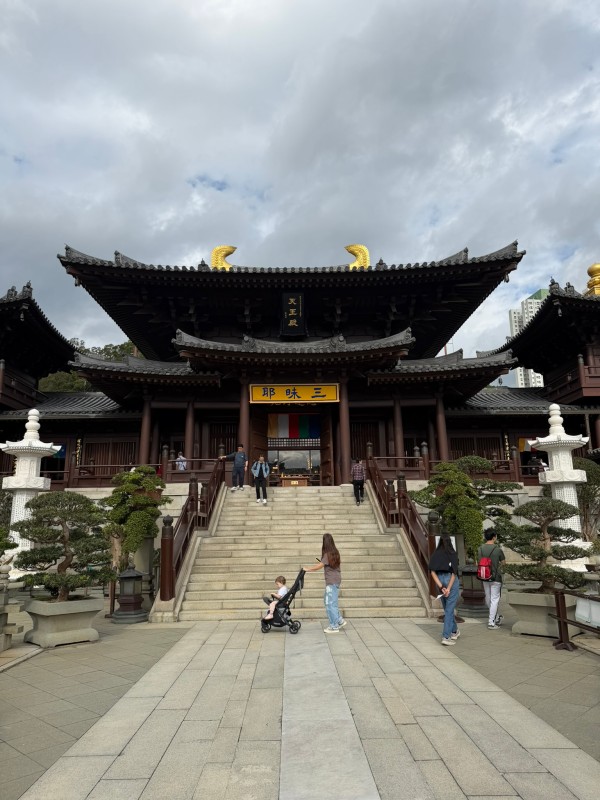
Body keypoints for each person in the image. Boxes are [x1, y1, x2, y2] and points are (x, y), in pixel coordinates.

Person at [304, 533, 346, 633]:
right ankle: (339, 620)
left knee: (329, 603)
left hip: (331, 581)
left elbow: (319, 566)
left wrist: (308, 569)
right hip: (336, 579)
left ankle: (334, 626)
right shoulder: (335, 552)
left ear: (325, 543)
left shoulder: (327, 554)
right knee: (332, 602)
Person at [428, 535, 460, 646]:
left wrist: (442, 587)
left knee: (447, 608)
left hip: (439, 580)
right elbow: (454, 573)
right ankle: (446, 636)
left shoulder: (435, 554)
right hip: (451, 580)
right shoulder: (452, 554)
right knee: (449, 610)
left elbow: (432, 572)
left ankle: (454, 631)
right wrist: (449, 588)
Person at [477, 530, 505, 629]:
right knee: (495, 599)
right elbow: (503, 563)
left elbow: (478, 562)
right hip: (495, 577)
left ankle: (496, 617)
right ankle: (491, 622)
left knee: (488, 598)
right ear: (494, 537)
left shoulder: (480, 548)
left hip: (484, 576)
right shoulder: (497, 549)